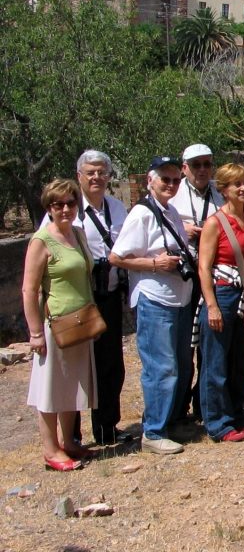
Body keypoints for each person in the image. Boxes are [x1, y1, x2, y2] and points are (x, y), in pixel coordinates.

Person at [109, 157, 194, 455]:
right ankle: (153, 431)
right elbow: (116, 257)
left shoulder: (170, 211)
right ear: (150, 181)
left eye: (174, 180)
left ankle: (169, 421)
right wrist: (156, 264)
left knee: (181, 364)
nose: (170, 185)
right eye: (165, 180)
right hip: (154, 298)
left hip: (179, 297)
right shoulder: (141, 214)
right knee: (161, 367)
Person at [23, 179, 98, 471]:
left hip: (82, 321)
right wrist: (35, 333)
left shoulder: (78, 235)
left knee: (73, 385)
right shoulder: (41, 241)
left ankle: (69, 441)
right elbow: (30, 290)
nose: (65, 209)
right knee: (50, 387)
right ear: (49, 208)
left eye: (70, 202)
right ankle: (50, 449)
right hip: (56, 324)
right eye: (58, 204)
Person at [195, 163, 244, 443]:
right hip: (222, 293)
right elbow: (204, 267)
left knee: (241, 359)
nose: (243, 188)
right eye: (236, 184)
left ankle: (235, 411)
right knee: (216, 361)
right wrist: (211, 306)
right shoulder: (214, 223)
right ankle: (218, 422)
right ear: (223, 190)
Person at [73, 150, 129, 446]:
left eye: (101, 172)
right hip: (79, 300)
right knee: (78, 365)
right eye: (90, 172)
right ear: (79, 176)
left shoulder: (117, 209)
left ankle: (107, 428)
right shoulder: (67, 208)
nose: (96, 177)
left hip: (108, 297)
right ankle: (71, 435)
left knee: (111, 365)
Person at [168, 143, 223, 423]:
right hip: (181, 278)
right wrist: (184, 229)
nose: (202, 169)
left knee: (208, 347)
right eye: (196, 164)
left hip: (212, 277)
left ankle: (205, 404)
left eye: (207, 164)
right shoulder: (171, 195)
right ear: (184, 168)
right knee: (181, 349)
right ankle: (177, 409)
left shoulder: (219, 194)